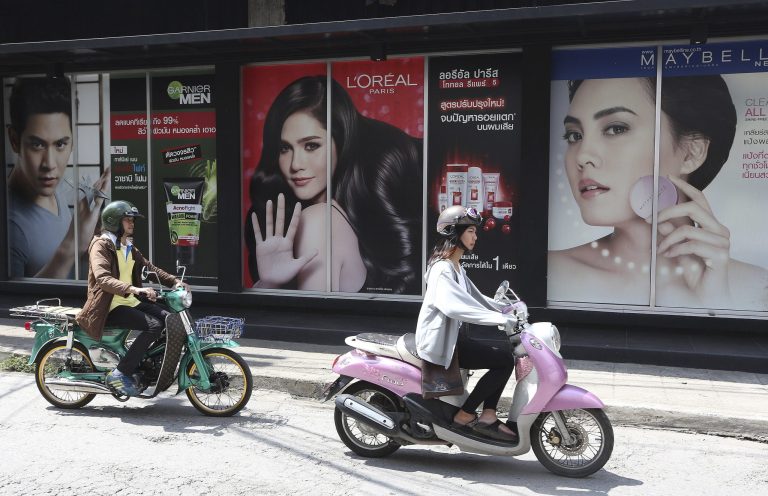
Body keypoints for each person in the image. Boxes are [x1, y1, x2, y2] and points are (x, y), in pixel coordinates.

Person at [548, 75, 768, 309]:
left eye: (615, 129)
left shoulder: (757, 286)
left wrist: (716, 305)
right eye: (574, 135)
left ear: (691, 153)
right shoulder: (551, 273)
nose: (582, 156)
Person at [245, 75, 422, 294]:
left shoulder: (319, 220)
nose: (295, 164)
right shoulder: (332, 215)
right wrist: (270, 283)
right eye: (285, 148)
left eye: (311, 146)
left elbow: (310, 323)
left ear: (341, 141)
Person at [415, 205, 517, 442]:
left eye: (476, 232)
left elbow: (477, 299)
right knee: (503, 361)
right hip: (441, 341)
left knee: (502, 359)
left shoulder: (456, 267)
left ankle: (488, 414)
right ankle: (466, 415)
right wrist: (500, 319)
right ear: (454, 232)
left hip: (453, 337)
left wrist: (509, 309)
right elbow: (455, 306)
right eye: (470, 231)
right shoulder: (442, 269)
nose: (475, 236)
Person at [75, 200, 188, 396]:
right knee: (154, 326)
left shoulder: (127, 246)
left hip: (130, 301)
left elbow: (150, 268)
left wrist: (174, 282)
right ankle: (120, 373)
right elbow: (103, 279)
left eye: (132, 220)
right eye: (127, 220)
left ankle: (145, 364)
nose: (132, 224)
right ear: (114, 222)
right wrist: (134, 289)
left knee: (169, 319)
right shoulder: (101, 245)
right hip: (109, 306)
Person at [6, 76, 110, 279]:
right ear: (14, 140)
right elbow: (11, 306)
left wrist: (88, 241)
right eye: (37, 145)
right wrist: (71, 245)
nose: (50, 164)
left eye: (60, 144)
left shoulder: (53, 189)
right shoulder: (10, 227)